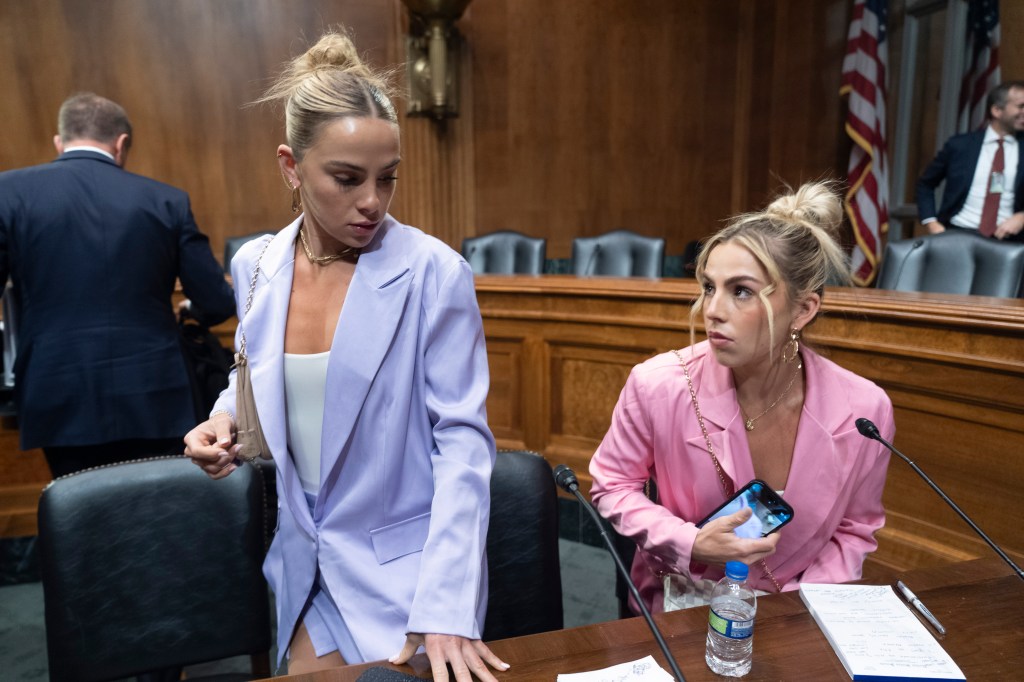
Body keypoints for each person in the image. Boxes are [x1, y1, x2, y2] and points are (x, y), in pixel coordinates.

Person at [183, 29, 507, 679]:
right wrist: (223, 419)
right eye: (347, 178)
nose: (372, 202)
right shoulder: (256, 264)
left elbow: (464, 446)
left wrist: (447, 603)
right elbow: (258, 379)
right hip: (302, 561)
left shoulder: (432, 274)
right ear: (290, 167)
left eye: (387, 179)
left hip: (411, 577)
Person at [589, 182, 895, 614]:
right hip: (683, 604)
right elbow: (613, 485)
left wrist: (797, 609)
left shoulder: (866, 410)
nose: (712, 309)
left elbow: (854, 530)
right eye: (709, 287)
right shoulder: (658, 384)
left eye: (741, 291)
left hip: (798, 612)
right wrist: (690, 542)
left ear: (803, 310)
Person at [0, 92, 235, 478]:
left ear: (59, 142)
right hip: (155, 389)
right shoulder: (166, 201)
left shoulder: (9, 193)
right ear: (121, 143)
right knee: (157, 513)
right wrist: (192, 311)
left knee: (81, 517)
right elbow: (215, 301)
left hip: (58, 391)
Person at [916, 81, 1024, 241]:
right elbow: (925, 184)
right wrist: (931, 222)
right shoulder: (960, 146)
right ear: (996, 110)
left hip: (1009, 243)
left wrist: (1022, 217)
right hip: (957, 235)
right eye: (1020, 106)